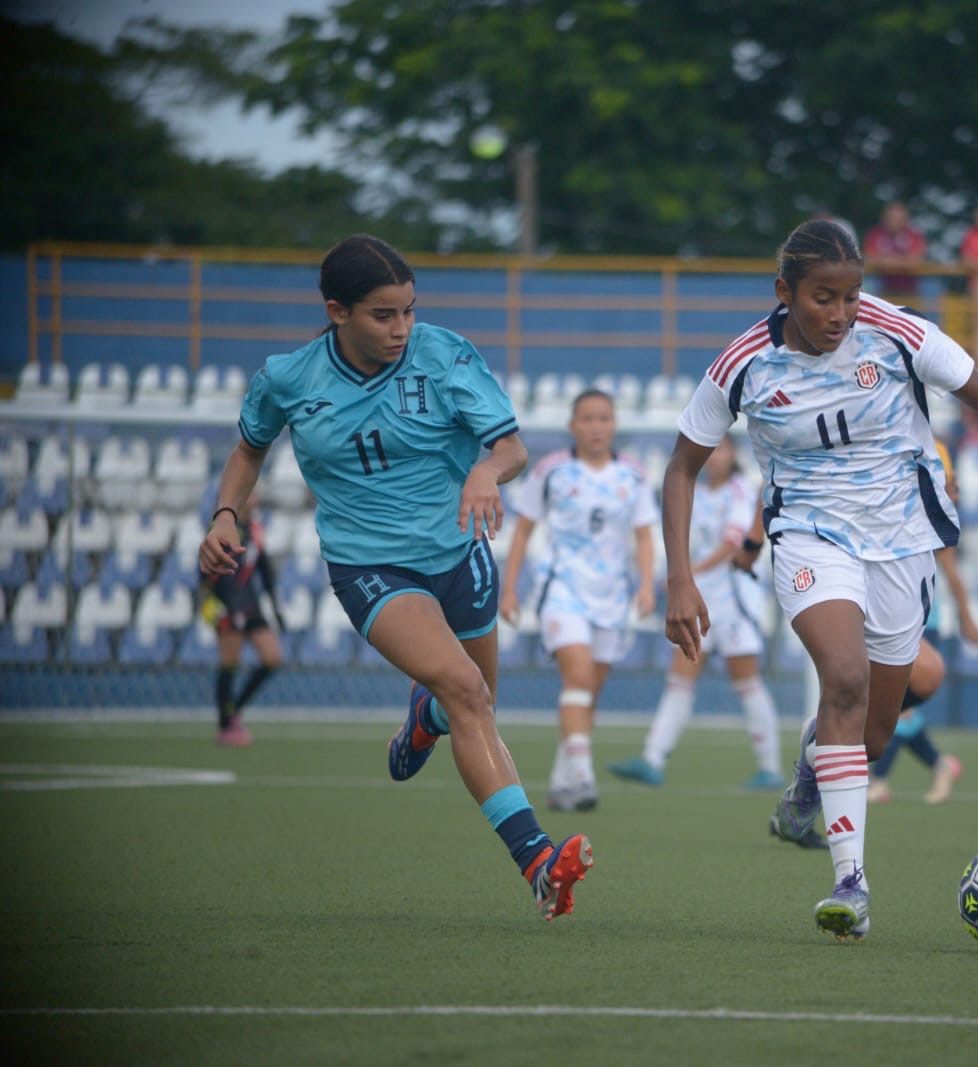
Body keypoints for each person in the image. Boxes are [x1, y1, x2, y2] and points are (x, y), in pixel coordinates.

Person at [198, 234, 593, 922]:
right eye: (383, 314)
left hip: (461, 552)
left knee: (474, 702)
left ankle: (425, 717)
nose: (402, 328)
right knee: (468, 689)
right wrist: (226, 514)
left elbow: (511, 447)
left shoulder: (444, 354)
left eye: (409, 310)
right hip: (370, 566)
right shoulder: (288, 378)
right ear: (336, 312)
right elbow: (247, 450)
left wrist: (482, 470)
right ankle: (536, 861)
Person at [662, 219, 978, 942]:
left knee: (872, 729)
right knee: (842, 676)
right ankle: (850, 884)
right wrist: (681, 576)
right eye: (822, 298)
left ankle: (809, 776)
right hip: (808, 532)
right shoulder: (743, 363)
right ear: (785, 292)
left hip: (902, 539)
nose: (839, 314)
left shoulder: (896, 332)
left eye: (851, 297)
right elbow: (681, 467)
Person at [500, 389, 658, 812]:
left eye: (604, 418)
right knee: (578, 677)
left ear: (614, 424)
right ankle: (583, 777)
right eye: (587, 419)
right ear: (573, 426)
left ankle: (560, 782)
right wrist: (510, 587)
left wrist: (646, 585)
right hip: (563, 589)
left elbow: (644, 534)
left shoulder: (634, 474)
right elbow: (524, 528)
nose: (596, 427)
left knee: (589, 690)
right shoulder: (551, 471)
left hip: (612, 595)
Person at [607, 439, 784, 791]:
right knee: (679, 678)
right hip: (701, 597)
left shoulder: (739, 490)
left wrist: (688, 574)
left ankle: (770, 767)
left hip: (734, 598)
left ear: (734, 455)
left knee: (746, 680)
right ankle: (653, 758)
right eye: (711, 449)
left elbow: (732, 545)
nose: (715, 456)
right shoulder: (698, 493)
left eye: (723, 450)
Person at [866, 440, 978, 805]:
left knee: (897, 706)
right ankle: (937, 765)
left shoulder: (930, 517)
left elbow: (951, 572)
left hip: (920, 616)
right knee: (896, 708)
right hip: (897, 613)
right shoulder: (902, 511)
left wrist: (967, 616)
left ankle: (881, 780)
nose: (954, 488)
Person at [199, 489, 283, 747]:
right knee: (230, 662)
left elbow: (264, 569)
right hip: (226, 604)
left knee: (272, 658)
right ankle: (225, 725)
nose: (256, 497)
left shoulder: (255, 529)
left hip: (250, 603)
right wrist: (219, 603)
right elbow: (206, 571)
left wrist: (276, 607)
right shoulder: (222, 530)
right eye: (252, 493)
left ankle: (233, 709)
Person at [863, 201, 928, 308]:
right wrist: (902, 261)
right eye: (891, 218)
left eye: (898, 219)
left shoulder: (914, 235)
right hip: (881, 291)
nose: (894, 222)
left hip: (910, 291)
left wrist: (885, 261)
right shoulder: (875, 234)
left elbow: (915, 261)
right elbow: (869, 259)